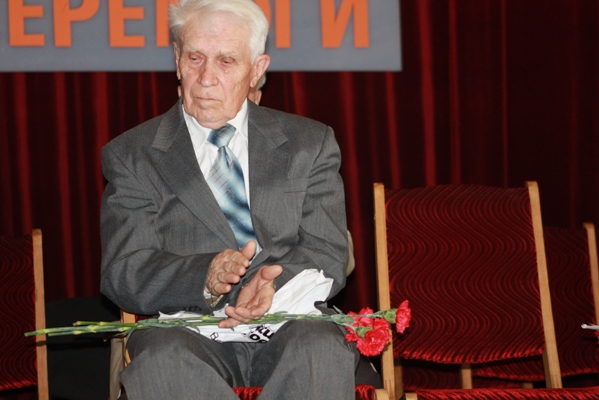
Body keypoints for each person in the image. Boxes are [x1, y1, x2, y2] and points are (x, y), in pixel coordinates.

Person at [99, 0, 357, 399]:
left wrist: (272, 287)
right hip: (185, 329)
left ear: (257, 69)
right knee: (162, 360)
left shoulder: (309, 144)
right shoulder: (132, 155)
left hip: (288, 319)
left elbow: (327, 251)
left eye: (226, 61)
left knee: (321, 347)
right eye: (195, 58)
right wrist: (204, 276)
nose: (206, 78)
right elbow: (125, 270)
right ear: (177, 59)